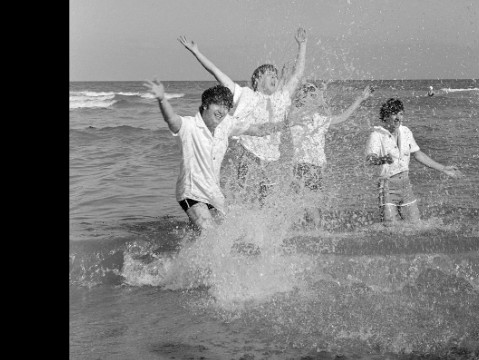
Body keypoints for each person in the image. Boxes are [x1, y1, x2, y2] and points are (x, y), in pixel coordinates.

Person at [177, 28, 307, 204]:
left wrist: (303, 45)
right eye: (270, 75)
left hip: (272, 158)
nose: (275, 78)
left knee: (266, 201)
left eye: (276, 76)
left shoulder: (282, 98)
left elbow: (298, 75)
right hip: (248, 153)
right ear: (258, 78)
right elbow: (217, 73)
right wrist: (196, 52)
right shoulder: (245, 95)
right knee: (240, 193)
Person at [143, 78, 289, 231]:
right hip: (192, 192)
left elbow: (258, 130)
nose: (222, 110)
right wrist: (162, 99)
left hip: (214, 194)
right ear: (206, 105)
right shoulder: (190, 126)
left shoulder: (226, 125)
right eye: (218, 104)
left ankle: (181, 246)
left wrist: (285, 125)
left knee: (225, 233)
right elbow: (172, 120)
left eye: (226, 106)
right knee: (208, 231)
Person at [365, 98, 463, 225]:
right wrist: (383, 159)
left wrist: (443, 168)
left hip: (405, 185)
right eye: (394, 114)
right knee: (390, 228)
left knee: (415, 226)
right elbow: (370, 159)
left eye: (400, 114)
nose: (398, 118)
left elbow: (417, 154)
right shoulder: (377, 135)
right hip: (387, 186)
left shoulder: (405, 132)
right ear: (386, 115)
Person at [288, 83, 374, 227]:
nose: (316, 99)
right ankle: (314, 231)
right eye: (311, 96)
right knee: (307, 204)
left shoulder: (319, 119)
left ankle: (310, 232)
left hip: (315, 169)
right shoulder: (296, 116)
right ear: (302, 98)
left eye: (316, 96)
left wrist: (360, 99)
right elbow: (287, 107)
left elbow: (342, 117)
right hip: (303, 166)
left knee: (309, 204)